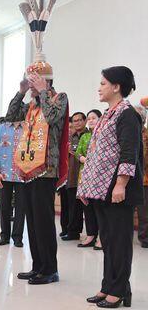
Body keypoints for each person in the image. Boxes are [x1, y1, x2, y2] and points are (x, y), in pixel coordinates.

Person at [78, 66, 142, 308]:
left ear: (117, 87)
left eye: (103, 83)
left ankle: (119, 290)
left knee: (119, 241)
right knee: (108, 240)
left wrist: (121, 184)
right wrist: (86, 186)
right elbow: (95, 153)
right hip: (101, 189)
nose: (99, 87)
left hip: (117, 190)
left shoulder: (127, 114)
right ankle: (110, 286)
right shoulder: (108, 114)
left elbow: (129, 152)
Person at [5, 67, 69, 285]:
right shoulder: (32, 104)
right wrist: (21, 92)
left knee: (43, 221)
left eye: (33, 81)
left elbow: (52, 118)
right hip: (28, 168)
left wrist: (42, 91)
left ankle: (50, 269)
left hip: (46, 169)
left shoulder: (59, 98)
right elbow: (11, 117)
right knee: (31, 220)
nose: (30, 84)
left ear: (45, 81)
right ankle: (37, 266)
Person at [0, 117, 25, 247]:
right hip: (4, 174)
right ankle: (4, 236)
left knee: (21, 207)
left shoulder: (28, 128)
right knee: (4, 206)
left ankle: (18, 237)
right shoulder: (1, 129)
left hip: (23, 174)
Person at [75, 109, 102, 249]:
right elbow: (78, 152)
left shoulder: (103, 134)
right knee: (87, 206)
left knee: (99, 206)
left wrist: (91, 159)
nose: (91, 120)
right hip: (84, 174)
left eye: (94, 118)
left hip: (98, 176)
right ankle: (90, 235)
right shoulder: (85, 136)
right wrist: (82, 158)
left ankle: (102, 238)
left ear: (100, 119)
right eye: (89, 118)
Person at [62, 112, 88, 241]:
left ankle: (91, 234)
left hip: (85, 177)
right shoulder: (70, 138)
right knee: (73, 207)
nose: (77, 122)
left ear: (85, 121)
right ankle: (73, 232)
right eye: (75, 120)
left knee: (88, 208)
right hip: (71, 177)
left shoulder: (90, 136)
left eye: (79, 120)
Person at [135, 102, 148, 249]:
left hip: (144, 179)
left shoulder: (146, 135)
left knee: (144, 213)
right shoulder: (128, 132)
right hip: (126, 179)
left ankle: (145, 239)